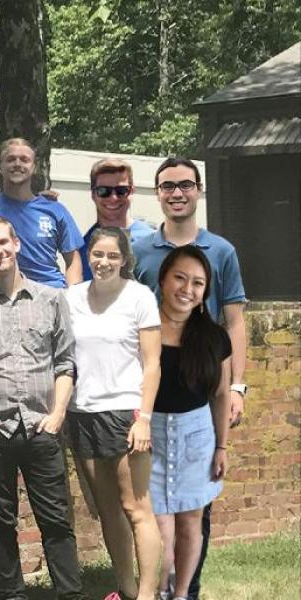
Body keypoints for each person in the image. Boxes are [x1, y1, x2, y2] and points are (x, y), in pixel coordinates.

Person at [132, 158, 247, 600]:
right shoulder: (140, 251)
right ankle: (157, 590)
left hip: (200, 399)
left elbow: (235, 321)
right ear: (157, 192)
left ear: (198, 190)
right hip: (154, 422)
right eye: (167, 186)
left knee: (194, 518)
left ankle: (187, 592)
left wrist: (237, 386)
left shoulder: (222, 250)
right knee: (158, 520)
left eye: (185, 185)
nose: (176, 193)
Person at [0, 216, 85, 600]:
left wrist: (57, 416)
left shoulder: (51, 299)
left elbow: (66, 363)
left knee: (55, 519)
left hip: (41, 425)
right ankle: (11, 593)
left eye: (3, 242)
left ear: (16, 244)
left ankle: (70, 593)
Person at [66, 227, 162, 600]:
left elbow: (152, 363)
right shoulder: (71, 297)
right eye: (97, 255)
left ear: (124, 260)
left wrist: (144, 419)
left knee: (136, 508)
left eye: (111, 256)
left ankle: (149, 594)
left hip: (125, 412)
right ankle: (125, 588)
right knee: (108, 510)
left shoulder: (139, 297)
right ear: (88, 257)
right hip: (83, 413)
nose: (103, 262)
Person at [151, 245, 232, 600]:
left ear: (204, 293)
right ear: (163, 279)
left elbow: (221, 395)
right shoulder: (144, 329)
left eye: (197, 283)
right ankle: (158, 590)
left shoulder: (214, 338)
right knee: (157, 528)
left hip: (196, 438)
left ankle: (182, 594)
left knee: (188, 524)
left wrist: (222, 446)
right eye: (180, 278)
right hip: (149, 437)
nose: (187, 289)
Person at [0, 138, 84, 288]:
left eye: (24, 160)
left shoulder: (54, 210)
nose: (17, 164)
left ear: (33, 167)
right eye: (10, 159)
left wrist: (72, 297)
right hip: (5, 293)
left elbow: (73, 260)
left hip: (51, 290)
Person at [79, 159, 155, 282]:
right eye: (104, 191)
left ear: (132, 191)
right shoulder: (81, 249)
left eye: (121, 191)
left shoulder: (152, 242)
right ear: (93, 194)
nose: (113, 198)